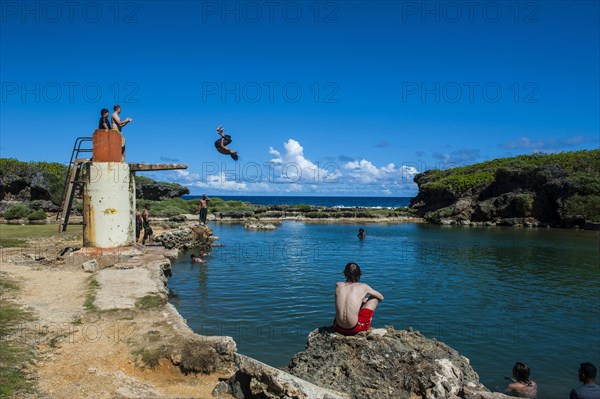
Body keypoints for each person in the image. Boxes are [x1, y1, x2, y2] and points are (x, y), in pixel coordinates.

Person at [333, 262, 384, 335]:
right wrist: (365, 299)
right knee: (374, 298)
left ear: (344, 273)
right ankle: (364, 323)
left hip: (337, 326)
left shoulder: (338, 285)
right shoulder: (363, 286)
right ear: (359, 274)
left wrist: (361, 300)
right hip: (354, 329)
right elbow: (381, 297)